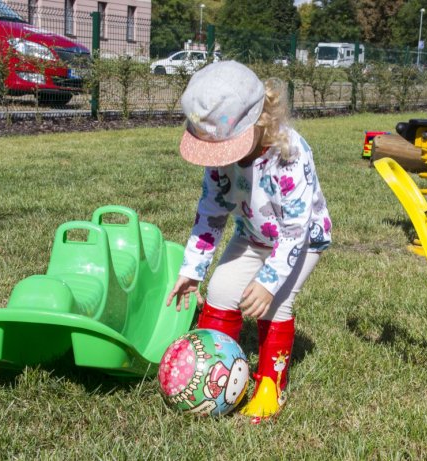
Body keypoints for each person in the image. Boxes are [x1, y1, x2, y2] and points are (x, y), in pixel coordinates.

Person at [166, 61, 332, 423]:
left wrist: (268, 283)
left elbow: (294, 231)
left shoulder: (289, 155)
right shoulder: (218, 154)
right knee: (222, 293)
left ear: (261, 121)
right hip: (253, 234)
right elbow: (211, 213)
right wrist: (193, 270)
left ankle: (272, 385)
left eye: (228, 149)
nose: (222, 160)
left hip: (302, 240)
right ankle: (212, 372)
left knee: (275, 303)